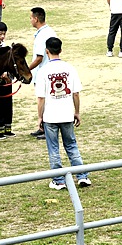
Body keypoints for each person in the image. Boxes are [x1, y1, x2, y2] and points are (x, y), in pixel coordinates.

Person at [34, 37, 91, 190]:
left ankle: (58, 180)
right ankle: (82, 175)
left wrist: (40, 116)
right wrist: (77, 112)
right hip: (66, 113)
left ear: (47, 51)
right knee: (71, 145)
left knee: (53, 148)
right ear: (60, 50)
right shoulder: (69, 68)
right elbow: (76, 93)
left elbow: (41, 97)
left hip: (50, 115)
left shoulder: (43, 71)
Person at [29, 7, 57, 140]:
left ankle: (46, 129)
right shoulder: (49, 31)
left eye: (31, 18)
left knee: (44, 101)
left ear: (36, 19)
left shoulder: (42, 35)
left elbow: (39, 58)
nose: (30, 20)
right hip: (49, 71)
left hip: (43, 73)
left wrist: (27, 69)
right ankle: (43, 127)